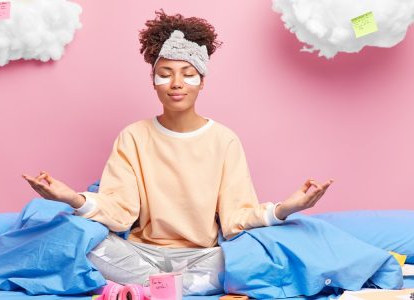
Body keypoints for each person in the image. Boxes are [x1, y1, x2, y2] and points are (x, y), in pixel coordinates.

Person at [22, 10, 333, 296]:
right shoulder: (133, 136)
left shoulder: (224, 140)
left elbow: (236, 217)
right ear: (153, 82)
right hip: (140, 253)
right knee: (82, 243)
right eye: (166, 73)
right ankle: (170, 289)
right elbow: (119, 211)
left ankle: (152, 289)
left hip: (204, 256)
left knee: (250, 256)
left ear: (202, 82)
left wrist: (285, 208)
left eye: (187, 73)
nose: (176, 83)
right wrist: (72, 198)